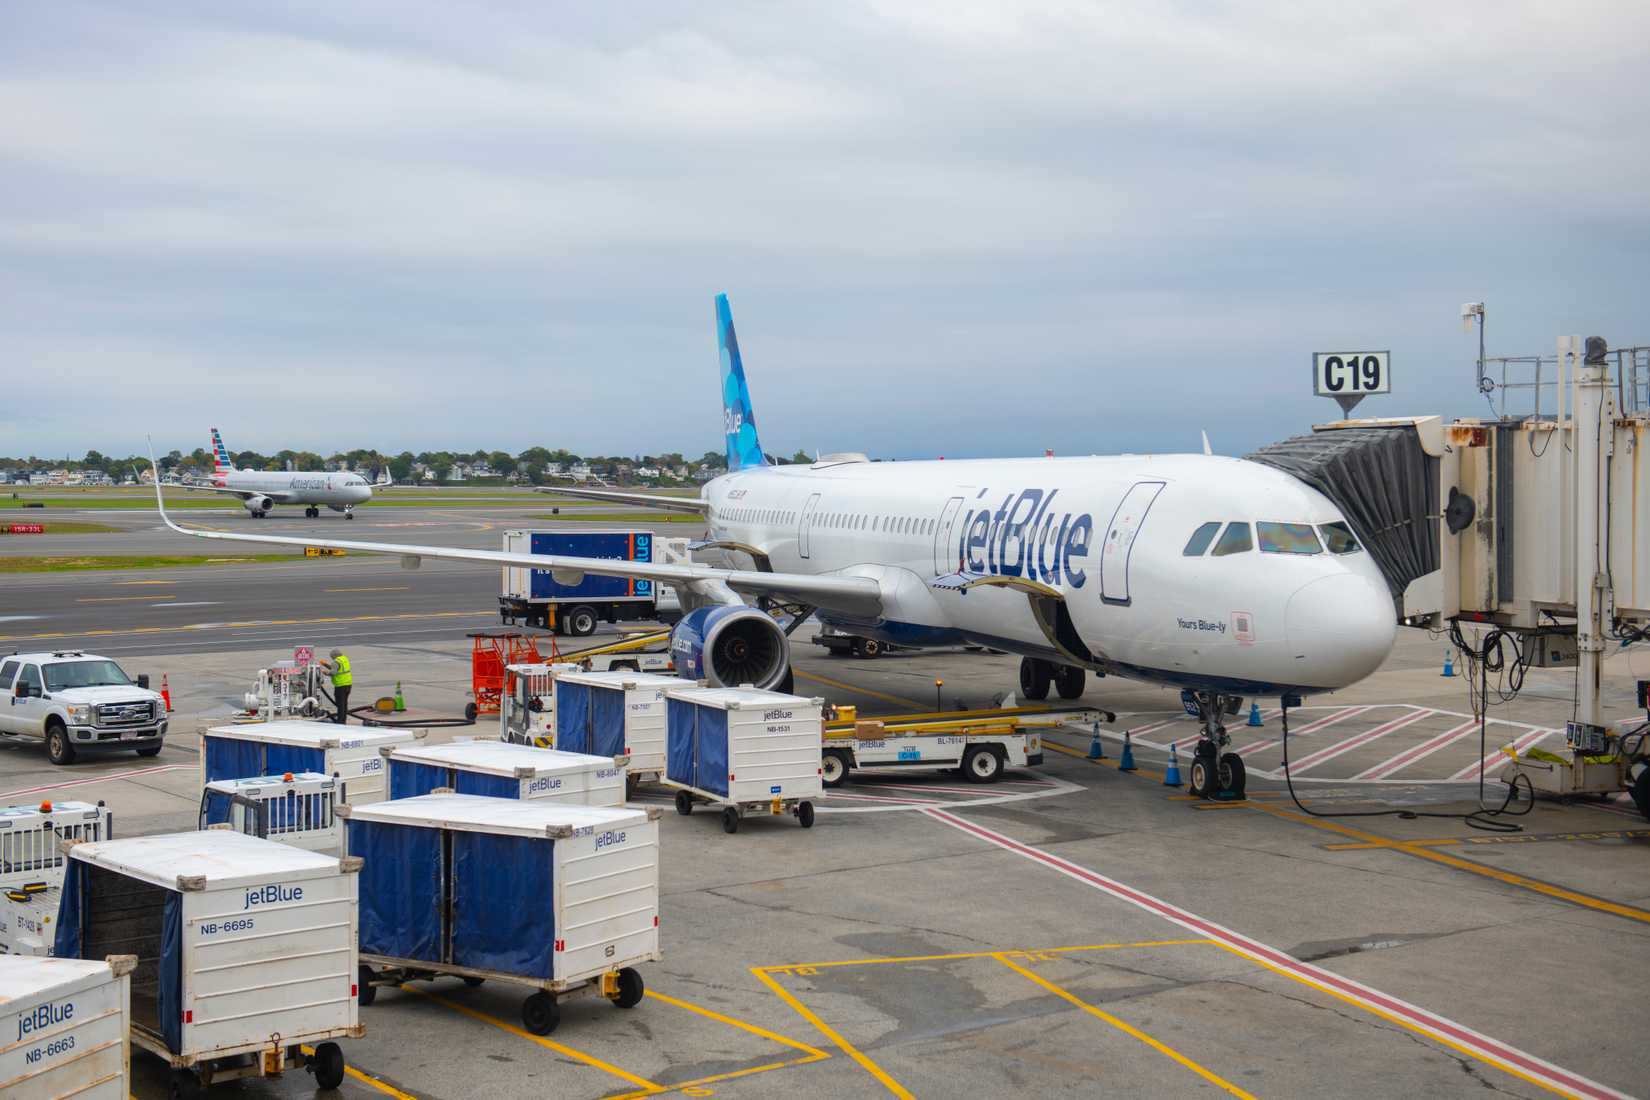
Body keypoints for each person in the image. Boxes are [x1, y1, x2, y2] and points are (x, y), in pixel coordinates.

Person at [320, 648, 352, 723]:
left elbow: (333, 672)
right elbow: (337, 669)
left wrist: (325, 672)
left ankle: (340, 721)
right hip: (348, 684)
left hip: (340, 685)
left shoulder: (336, 662)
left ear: (333, 656)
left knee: (340, 704)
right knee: (344, 703)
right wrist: (325, 664)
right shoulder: (344, 659)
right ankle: (343, 719)